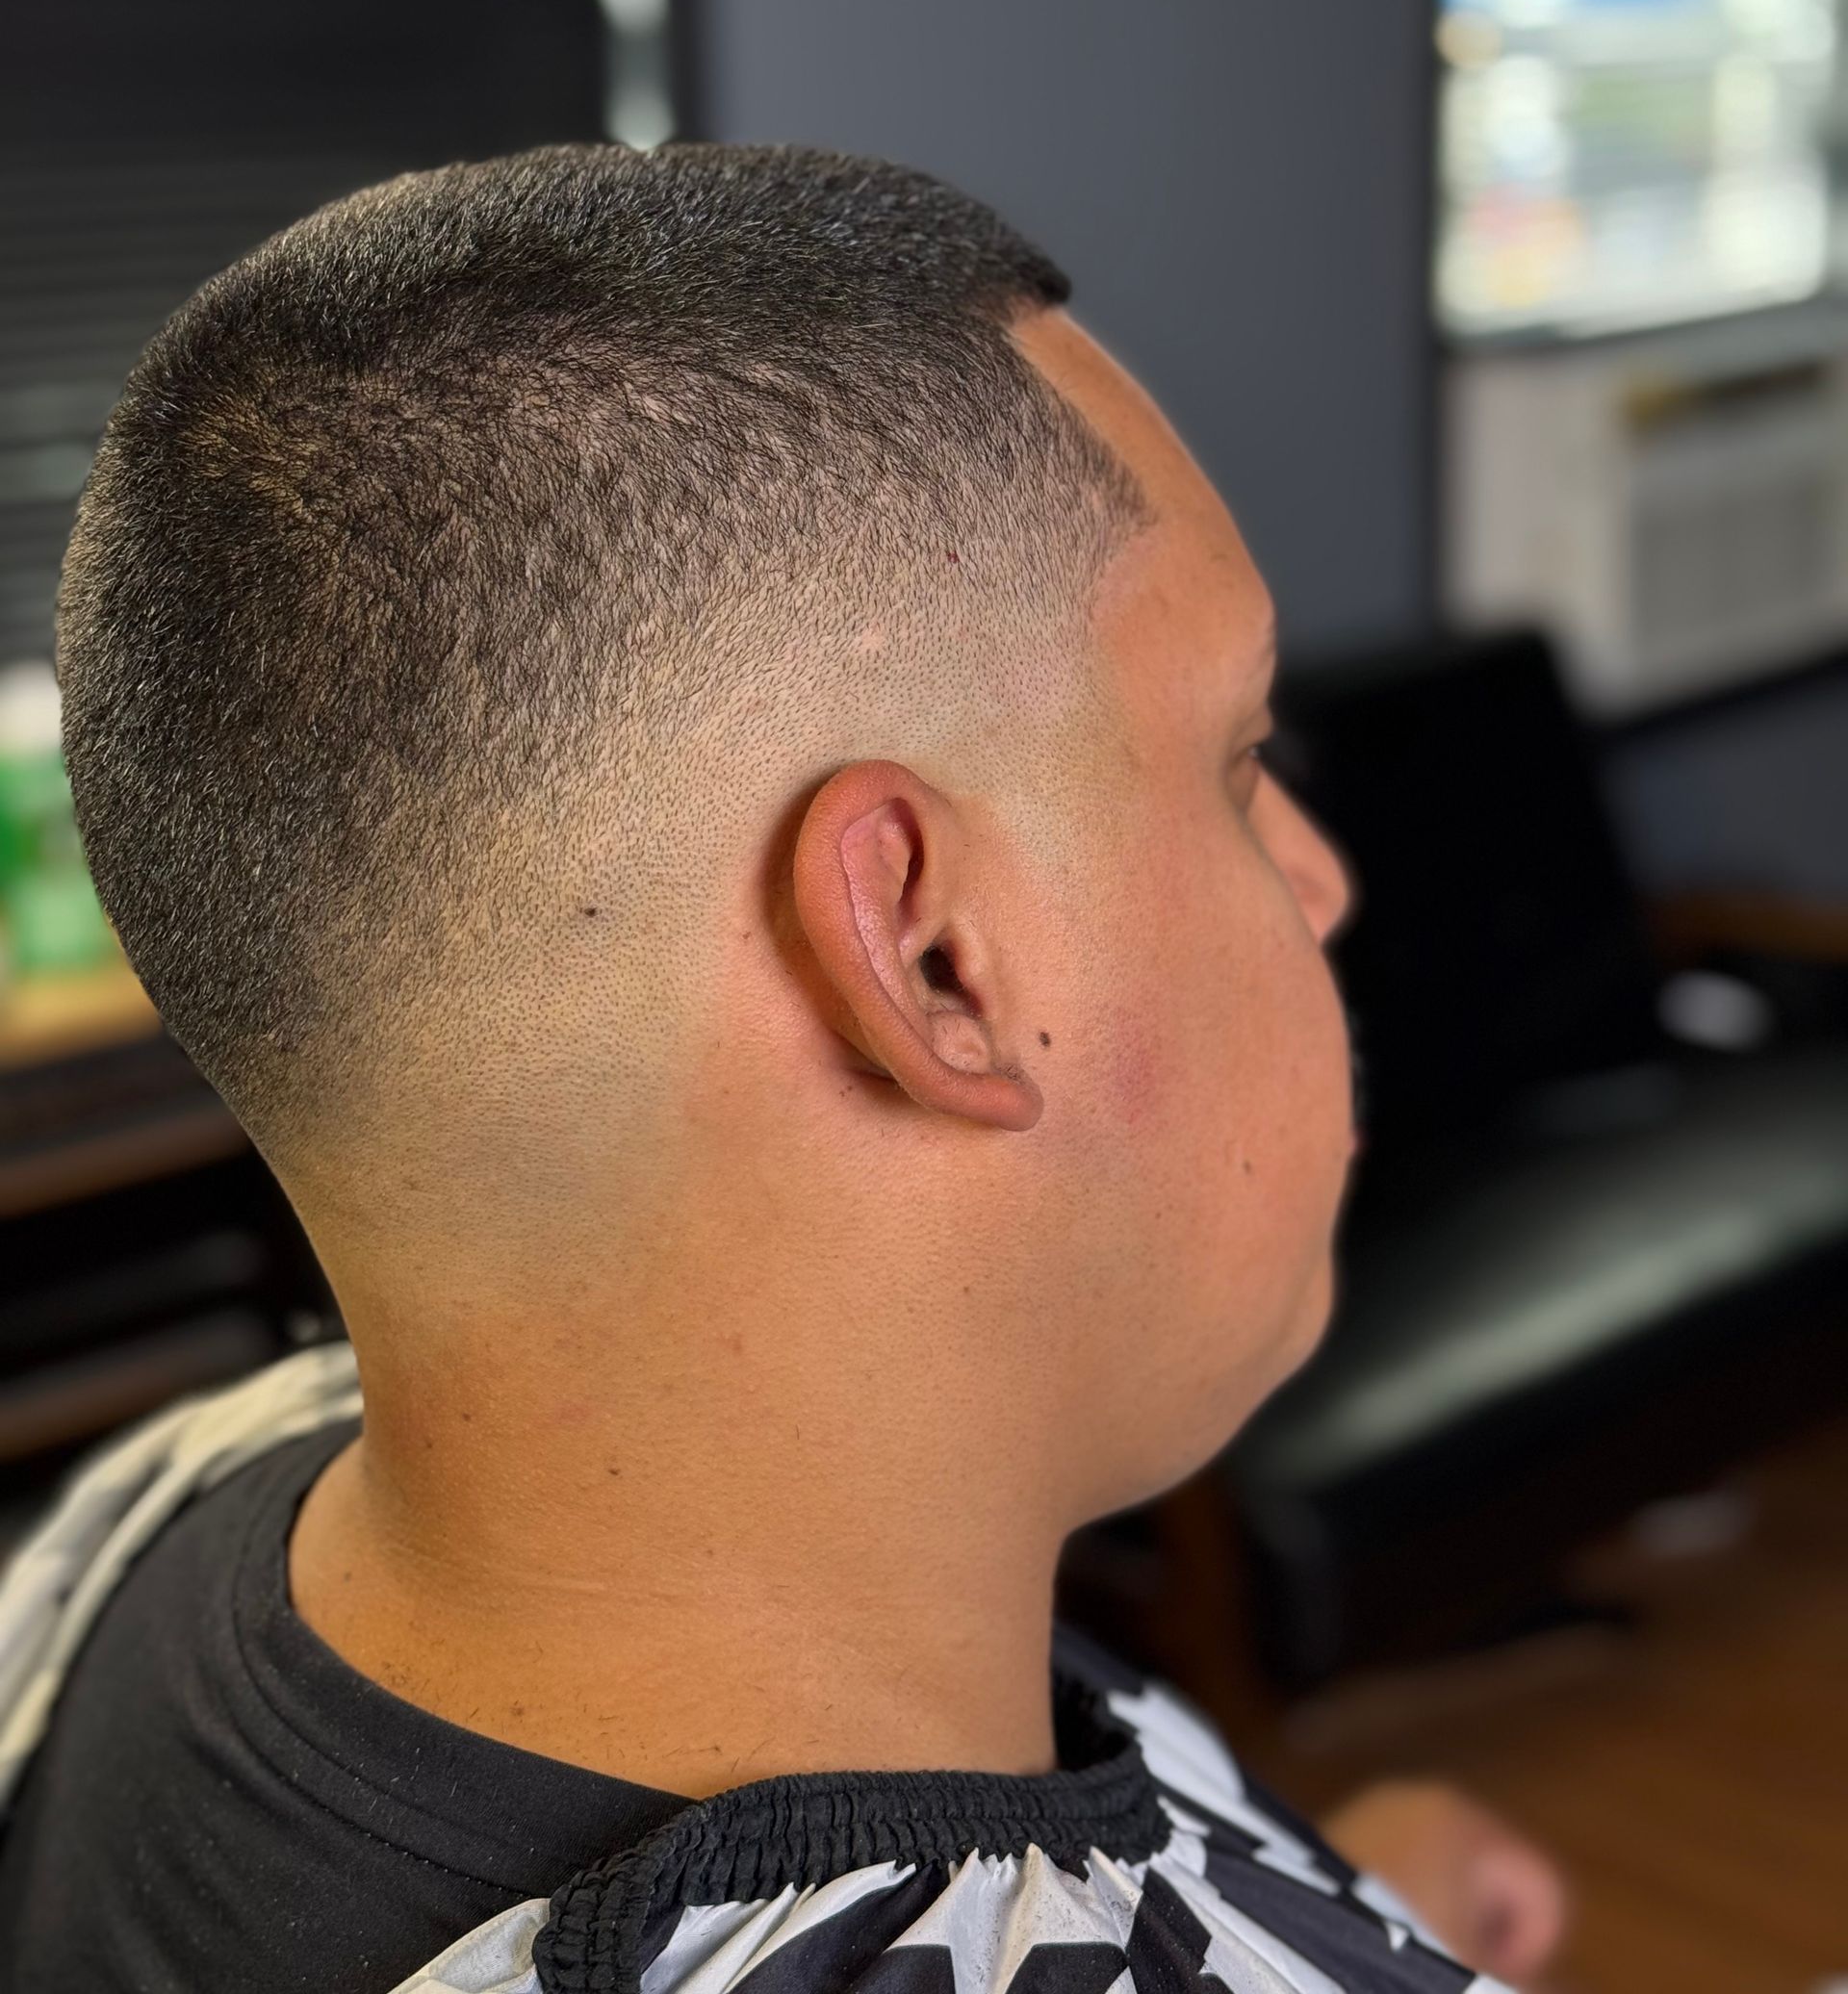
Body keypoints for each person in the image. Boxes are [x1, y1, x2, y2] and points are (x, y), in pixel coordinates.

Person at [0, 145, 1565, 1993]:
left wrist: (1334, 1901)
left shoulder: (144, 1526)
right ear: (930, 957)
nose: (1319, 873)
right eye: (1234, 760)